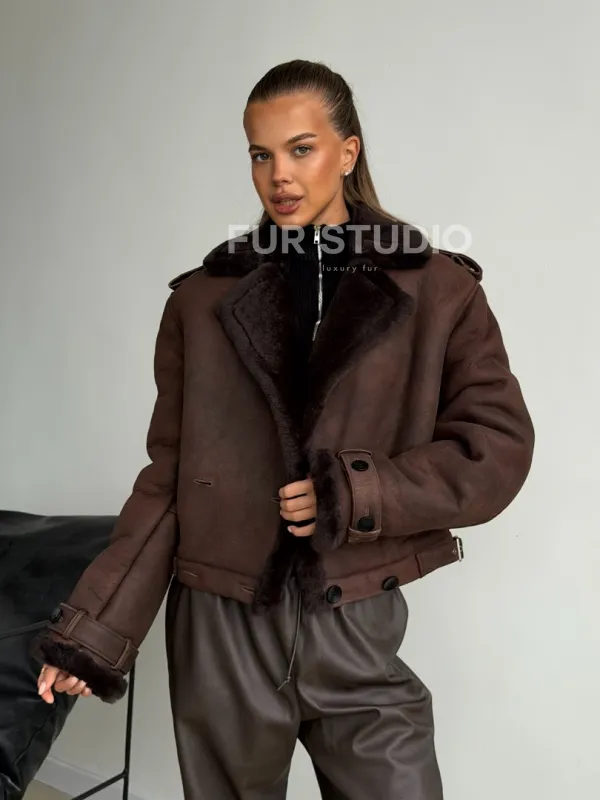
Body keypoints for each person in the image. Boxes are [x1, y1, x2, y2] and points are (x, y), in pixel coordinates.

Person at [30, 59, 534, 798]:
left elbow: (496, 449)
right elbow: (168, 480)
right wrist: (93, 635)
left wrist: (356, 492)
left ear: (348, 152)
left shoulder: (438, 290)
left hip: (354, 613)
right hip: (221, 625)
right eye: (260, 155)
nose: (279, 176)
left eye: (301, 149)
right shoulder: (201, 302)